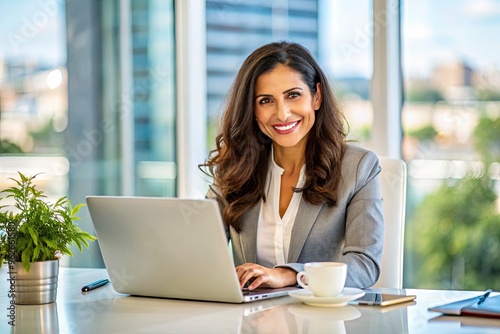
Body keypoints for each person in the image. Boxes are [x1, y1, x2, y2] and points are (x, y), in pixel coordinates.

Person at [200, 41, 384, 291]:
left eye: (293, 95)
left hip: (321, 322)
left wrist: (289, 275)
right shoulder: (236, 167)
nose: (283, 114)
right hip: (249, 322)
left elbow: (364, 264)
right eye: (266, 101)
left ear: (316, 97)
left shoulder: (358, 167)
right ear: (252, 110)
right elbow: (202, 249)